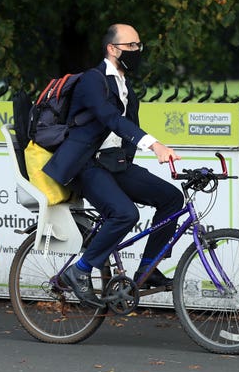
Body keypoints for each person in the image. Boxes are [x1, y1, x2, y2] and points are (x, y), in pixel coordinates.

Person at [42, 23, 185, 307]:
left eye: (138, 46)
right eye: (130, 46)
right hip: (86, 165)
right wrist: (154, 145)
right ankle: (79, 271)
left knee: (172, 198)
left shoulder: (124, 83)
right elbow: (111, 119)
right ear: (112, 49)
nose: (137, 51)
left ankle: (148, 268)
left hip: (113, 164)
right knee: (124, 214)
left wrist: (133, 156)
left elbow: (129, 124)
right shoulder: (92, 81)